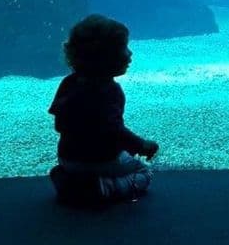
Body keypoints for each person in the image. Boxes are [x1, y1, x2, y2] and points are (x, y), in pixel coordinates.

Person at [47, 14, 160, 206]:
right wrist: (141, 145)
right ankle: (105, 188)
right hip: (101, 160)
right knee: (144, 172)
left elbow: (59, 124)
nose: (130, 54)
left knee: (81, 165)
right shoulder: (109, 91)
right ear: (105, 56)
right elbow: (114, 131)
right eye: (124, 48)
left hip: (67, 157)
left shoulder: (69, 83)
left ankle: (69, 179)